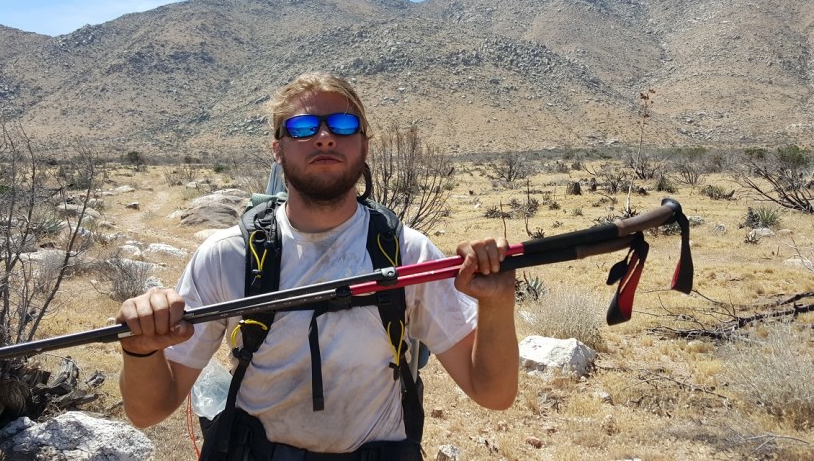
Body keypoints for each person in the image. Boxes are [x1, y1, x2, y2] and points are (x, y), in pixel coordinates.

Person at [117, 72, 518, 460]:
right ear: (277, 149)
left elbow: (494, 393)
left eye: (344, 125)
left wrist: (497, 304)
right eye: (303, 127)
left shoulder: (408, 253)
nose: (325, 136)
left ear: (364, 145)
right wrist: (140, 351)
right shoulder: (228, 255)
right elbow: (148, 411)